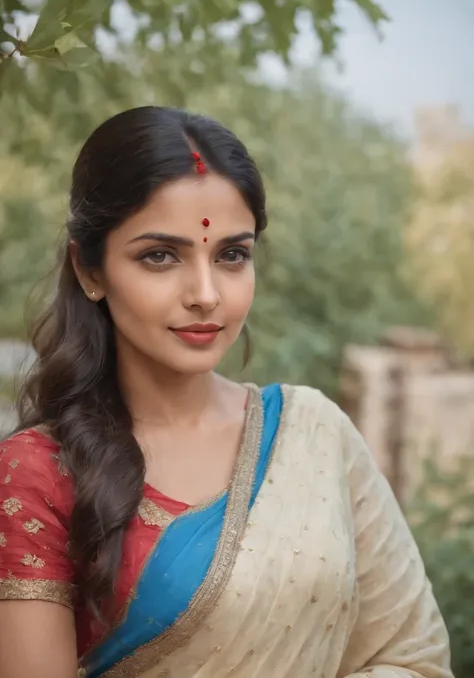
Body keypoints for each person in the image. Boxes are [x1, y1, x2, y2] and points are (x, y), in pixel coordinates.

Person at [0, 106, 452, 678]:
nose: (206, 294)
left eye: (232, 255)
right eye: (160, 256)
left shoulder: (313, 432)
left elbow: (413, 659)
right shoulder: (38, 472)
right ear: (89, 270)